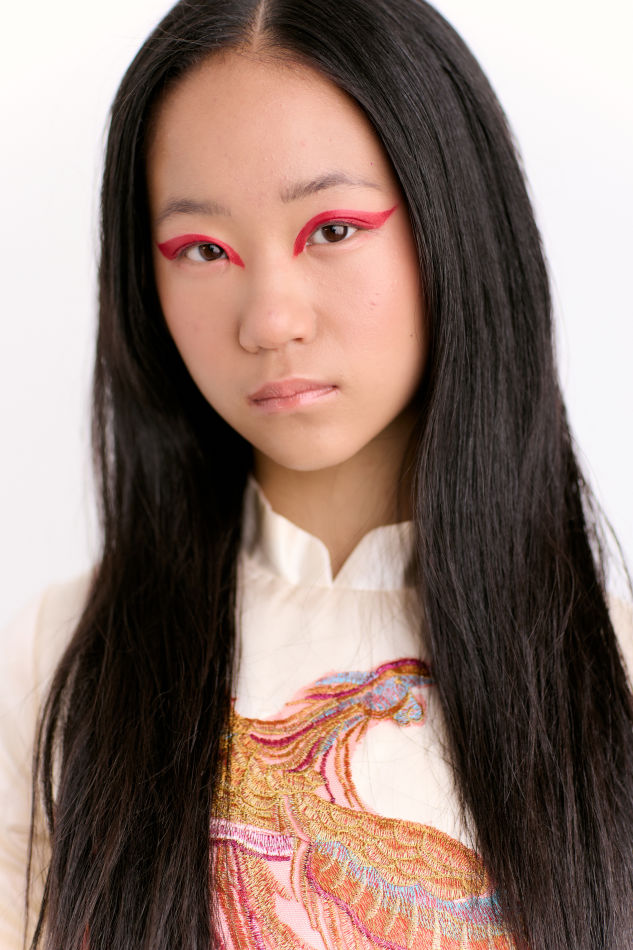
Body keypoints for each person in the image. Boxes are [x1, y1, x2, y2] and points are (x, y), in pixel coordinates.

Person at [1, 0, 632, 948]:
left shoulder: (614, 675)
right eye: (203, 250)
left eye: (332, 229)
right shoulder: (55, 665)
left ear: (453, 220)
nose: (270, 319)